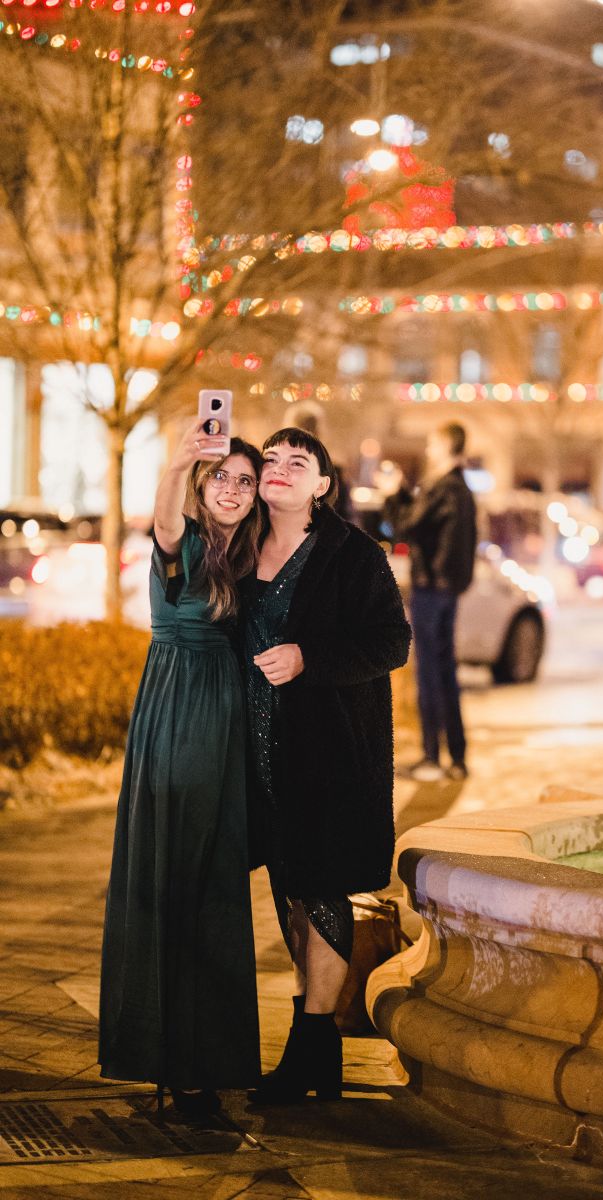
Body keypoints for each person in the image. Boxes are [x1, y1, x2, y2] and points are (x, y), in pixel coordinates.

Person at [241, 426, 411, 1106]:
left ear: (322, 485)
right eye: (271, 459)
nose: (280, 468)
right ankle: (314, 1046)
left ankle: (313, 1045)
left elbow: (391, 641)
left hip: (330, 755)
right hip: (259, 752)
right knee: (289, 887)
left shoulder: (351, 554)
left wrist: (310, 659)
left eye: (298, 462)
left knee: (322, 889)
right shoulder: (241, 543)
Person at [99, 422, 264, 1119]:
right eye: (219, 476)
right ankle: (174, 1057)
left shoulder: (252, 553)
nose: (231, 489)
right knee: (175, 876)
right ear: (201, 485)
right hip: (180, 706)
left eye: (244, 481)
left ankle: (208, 1058)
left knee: (215, 882)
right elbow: (163, 520)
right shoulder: (184, 537)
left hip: (226, 713)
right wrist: (175, 463)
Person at [379, 422, 477, 782]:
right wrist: (403, 492)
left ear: (447, 445)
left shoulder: (443, 487)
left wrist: (392, 494)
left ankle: (433, 757)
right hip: (447, 589)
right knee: (445, 672)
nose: (428, 449)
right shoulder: (460, 489)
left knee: (431, 674)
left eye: (433, 443)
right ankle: (456, 756)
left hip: (431, 589)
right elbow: (421, 522)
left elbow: (405, 525)